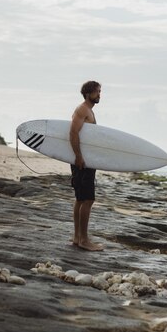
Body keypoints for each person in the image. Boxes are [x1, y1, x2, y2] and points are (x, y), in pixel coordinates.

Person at [70, 81, 104, 251]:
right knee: (88, 199)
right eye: (97, 92)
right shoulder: (83, 109)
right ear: (88, 93)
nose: (99, 94)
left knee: (81, 199)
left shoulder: (88, 110)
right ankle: (84, 240)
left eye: (100, 91)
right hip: (82, 160)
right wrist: (78, 156)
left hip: (84, 159)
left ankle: (78, 237)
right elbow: (73, 132)